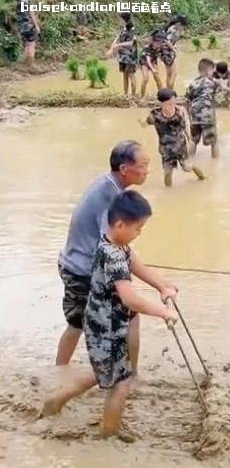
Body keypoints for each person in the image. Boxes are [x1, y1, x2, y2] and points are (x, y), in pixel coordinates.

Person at [43, 191, 178, 440]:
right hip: (106, 328)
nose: (140, 233)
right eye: (138, 228)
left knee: (100, 373)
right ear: (119, 224)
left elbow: (135, 265)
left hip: (103, 323)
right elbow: (129, 298)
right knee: (121, 383)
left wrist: (162, 286)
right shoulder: (114, 256)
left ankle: (55, 402)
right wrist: (162, 312)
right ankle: (109, 437)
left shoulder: (112, 243)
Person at [56, 141, 155, 367]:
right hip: (84, 271)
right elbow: (115, 249)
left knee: (77, 323)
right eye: (144, 165)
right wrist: (159, 288)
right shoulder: (111, 197)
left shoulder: (107, 184)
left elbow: (119, 249)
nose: (147, 170)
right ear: (124, 169)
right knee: (129, 317)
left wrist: (159, 283)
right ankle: (128, 376)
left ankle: (59, 374)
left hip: (73, 264)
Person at [186, 58, 230, 158]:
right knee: (214, 142)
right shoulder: (213, 82)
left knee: (193, 140)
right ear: (209, 71)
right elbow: (228, 90)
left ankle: (189, 160)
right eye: (212, 70)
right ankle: (215, 164)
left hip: (194, 115)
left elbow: (188, 102)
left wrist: (190, 116)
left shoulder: (192, 84)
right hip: (208, 115)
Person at [143, 88, 205, 187]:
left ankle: (203, 178)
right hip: (165, 149)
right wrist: (141, 123)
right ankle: (168, 193)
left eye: (174, 103)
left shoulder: (179, 113)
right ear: (161, 104)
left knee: (187, 167)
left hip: (180, 146)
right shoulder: (154, 115)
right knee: (168, 172)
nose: (173, 106)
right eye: (170, 104)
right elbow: (145, 123)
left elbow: (185, 128)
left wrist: (190, 141)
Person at [107, 13, 137, 97]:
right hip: (122, 56)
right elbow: (118, 37)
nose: (118, 20)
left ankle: (134, 96)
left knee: (131, 75)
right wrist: (112, 47)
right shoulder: (122, 29)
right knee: (125, 75)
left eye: (120, 19)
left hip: (130, 56)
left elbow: (131, 43)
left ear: (124, 20)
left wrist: (117, 46)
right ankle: (126, 95)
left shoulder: (131, 29)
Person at [16, 0, 40, 67]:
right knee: (32, 45)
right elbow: (31, 14)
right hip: (29, 26)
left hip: (22, 26)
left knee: (27, 44)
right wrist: (36, 25)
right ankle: (31, 65)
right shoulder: (27, 1)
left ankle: (26, 65)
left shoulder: (19, 0)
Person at [139, 31, 163, 97]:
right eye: (156, 43)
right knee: (145, 78)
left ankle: (161, 95)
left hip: (153, 61)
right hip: (144, 62)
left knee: (157, 78)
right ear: (153, 42)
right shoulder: (147, 48)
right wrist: (153, 69)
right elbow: (148, 61)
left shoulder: (160, 47)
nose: (157, 45)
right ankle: (142, 96)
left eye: (159, 43)